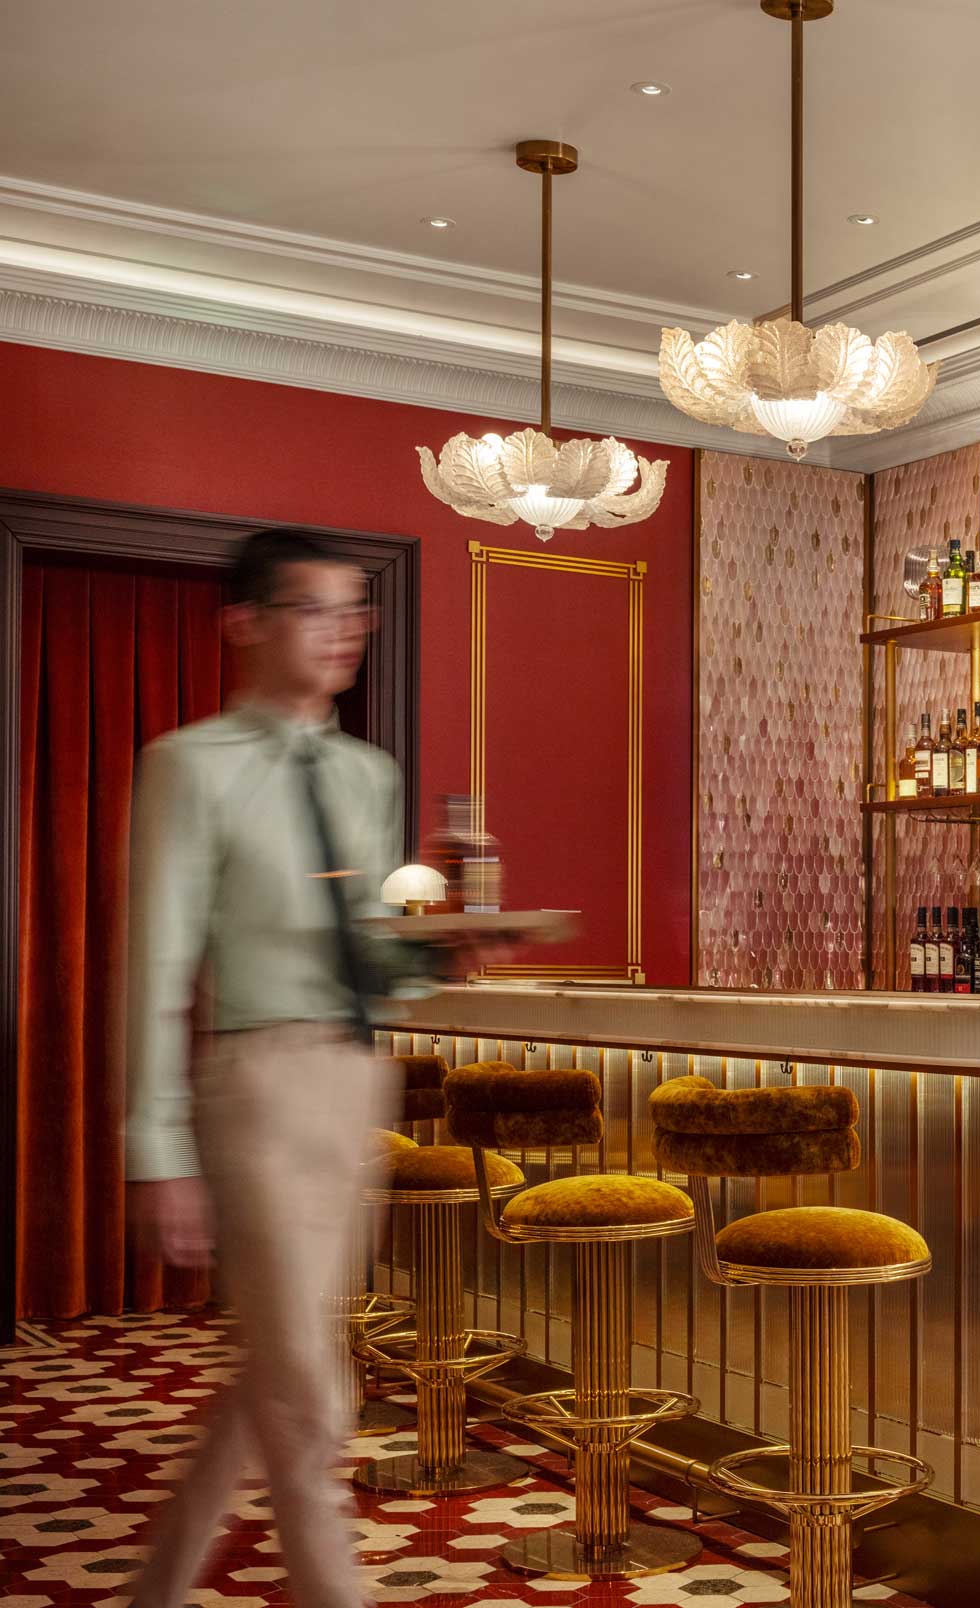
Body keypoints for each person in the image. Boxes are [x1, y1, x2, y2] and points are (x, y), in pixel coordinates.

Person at [124, 529, 442, 1608]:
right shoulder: (189, 765)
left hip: (354, 1082)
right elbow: (157, 965)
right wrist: (157, 1147)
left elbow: (373, 956)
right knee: (310, 1388)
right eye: (317, 608)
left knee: (280, 1356)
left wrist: (436, 952)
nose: (347, 631)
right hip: (254, 1085)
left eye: (358, 610)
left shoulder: (368, 774)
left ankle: (156, 1587)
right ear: (246, 625)